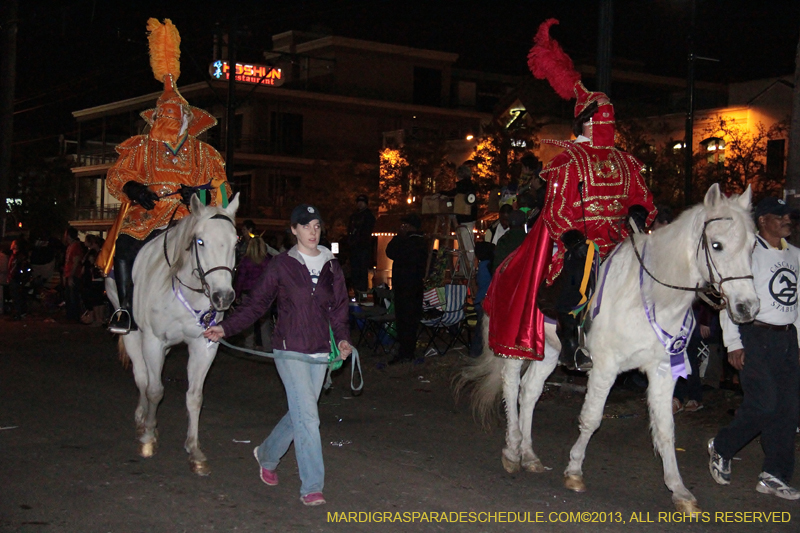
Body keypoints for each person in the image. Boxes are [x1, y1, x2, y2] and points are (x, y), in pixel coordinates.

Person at [484, 19, 656, 371]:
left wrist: (640, 211)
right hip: (582, 240)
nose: (603, 126)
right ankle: (572, 337)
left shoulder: (626, 162)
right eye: (597, 121)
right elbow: (558, 209)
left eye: (608, 119)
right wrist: (574, 237)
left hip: (623, 238)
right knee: (582, 264)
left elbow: (642, 196)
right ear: (583, 124)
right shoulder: (569, 161)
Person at [204, 204, 351, 506]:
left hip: (321, 351)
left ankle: (268, 454)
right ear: (294, 230)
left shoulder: (331, 265)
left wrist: (344, 340)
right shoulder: (281, 265)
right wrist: (226, 328)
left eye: (317, 225)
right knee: (309, 417)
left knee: (300, 412)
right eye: (306, 225)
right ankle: (312, 486)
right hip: (290, 349)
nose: (313, 230)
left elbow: (338, 309)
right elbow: (257, 305)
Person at [101, 19, 230, 334]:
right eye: (162, 116)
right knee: (125, 246)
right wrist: (133, 187)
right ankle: (125, 311)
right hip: (148, 217)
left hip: (189, 218)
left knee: (221, 247)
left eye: (172, 116)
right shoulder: (142, 148)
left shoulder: (206, 155)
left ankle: (220, 303)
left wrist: (199, 197)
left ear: (187, 119)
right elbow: (116, 175)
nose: (166, 122)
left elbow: (223, 193)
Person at [708, 197, 800, 501]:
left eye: (790, 216)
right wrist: (733, 342)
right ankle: (723, 446)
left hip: (786, 338)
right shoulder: (748, 252)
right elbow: (730, 298)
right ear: (762, 220)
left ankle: (774, 474)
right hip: (754, 336)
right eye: (781, 216)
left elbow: (797, 304)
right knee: (765, 403)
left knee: (788, 409)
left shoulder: (796, 255)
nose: (788, 220)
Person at [385, 213, 428, 365]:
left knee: (407, 320)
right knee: (404, 320)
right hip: (406, 287)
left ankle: (406, 352)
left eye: (405, 225)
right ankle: (405, 350)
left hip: (409, 287)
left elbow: (392, 252)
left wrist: (399, 237)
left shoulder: (415, 242)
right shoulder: (415, 242)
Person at [234, 235, 271, 349]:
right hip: (264, 295)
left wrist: (237, 294)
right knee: (265, 323)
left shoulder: (246, 261)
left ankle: (249, 345)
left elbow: (241, 279)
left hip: (249, 294)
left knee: (249, 322)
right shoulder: (268, 259)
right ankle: (267, 347)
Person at [442, 164, 478, 277]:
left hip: (464, 219)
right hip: (469, 219)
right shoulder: (470, 186)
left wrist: (441, 193)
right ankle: (466, 268)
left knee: (466, 245)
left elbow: (454, 193)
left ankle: (467, 269)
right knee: (466, 245)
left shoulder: (462, 187)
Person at [347, 195, 376, 301]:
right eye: (358, 201)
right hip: (355, 248)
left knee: (362, 273)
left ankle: (362, 295)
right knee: (355, 273)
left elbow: (366, 232)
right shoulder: (354, 216)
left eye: (362, 202)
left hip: (363, 248)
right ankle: (356, 294)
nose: (359, 204)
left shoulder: (368, 216)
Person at [470, 241, 494, 357]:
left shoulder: (483, 265)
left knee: (480, 330)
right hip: (488, 300)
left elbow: (481, 283)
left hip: (482, 300)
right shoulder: (492, 264)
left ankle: (475, 353)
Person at [80, 235, 107, 327]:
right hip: (98, 278)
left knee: (96, 300)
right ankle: (100, 319)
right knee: (99, 300)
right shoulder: (100, 252)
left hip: (95, 278)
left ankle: (98, 319)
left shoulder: (94, 253)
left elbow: (88, 263)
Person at [63, 227, 85, 322]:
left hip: (74, 275)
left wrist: (71, 275)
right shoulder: (70, 246)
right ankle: (70, 316)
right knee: (69, 296)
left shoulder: (75, 246)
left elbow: (76, 261)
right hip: (69, 274)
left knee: (73, 296)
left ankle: (74, 317)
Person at [7, 239, 31, 321]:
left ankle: (18, 313)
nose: (11, 245)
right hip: (13, 278)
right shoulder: (13, 256)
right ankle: (17, 313)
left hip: (16, 279)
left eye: (13, 244)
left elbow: (17, 268)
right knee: (15, 296)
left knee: (17, 296)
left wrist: (19, 278)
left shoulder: (19, 257)